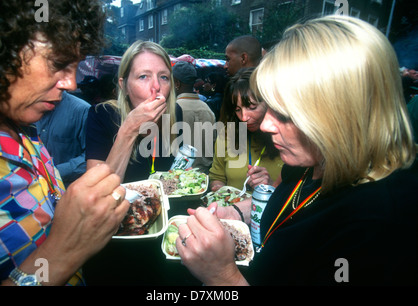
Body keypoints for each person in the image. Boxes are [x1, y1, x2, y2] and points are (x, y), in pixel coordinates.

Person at [176, 16, 417, 286]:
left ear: (345, 114)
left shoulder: (378, 225)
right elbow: (288, 209)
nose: (266, 124)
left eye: (286, 114)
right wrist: (239, 212)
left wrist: (222, 276)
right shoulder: (306, 163)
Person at [0, 0, 129, 286]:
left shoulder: (27, 132)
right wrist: (62, 252)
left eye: (76, 66)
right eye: (59, 63)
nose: (72, 83)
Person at [86, 40, 182, 182]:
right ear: (123, 86)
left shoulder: (175, 112)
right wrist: (129, 129)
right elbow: (96, 191)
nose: (156, 86)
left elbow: (174, 170)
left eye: (164, 77)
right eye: (143, 76)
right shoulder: (102, 114)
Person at [208, 67, 283, 193]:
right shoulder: (227, 135)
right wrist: (220, 192)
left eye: (252, 107)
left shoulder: (288, 140)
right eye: (238, 110)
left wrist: (271, 186)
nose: (244, 117)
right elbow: (217, 177)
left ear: (271, 103)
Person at [35, 91, 90, 187]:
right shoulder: (24, 108)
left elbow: (91, 158)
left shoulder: (82, 110)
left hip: (66, 188)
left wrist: (53, 172)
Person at [172, 61, 216, 174]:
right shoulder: (207, 108)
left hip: (178, 177)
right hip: (203, 177)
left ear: (176, 83)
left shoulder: (173, 109)